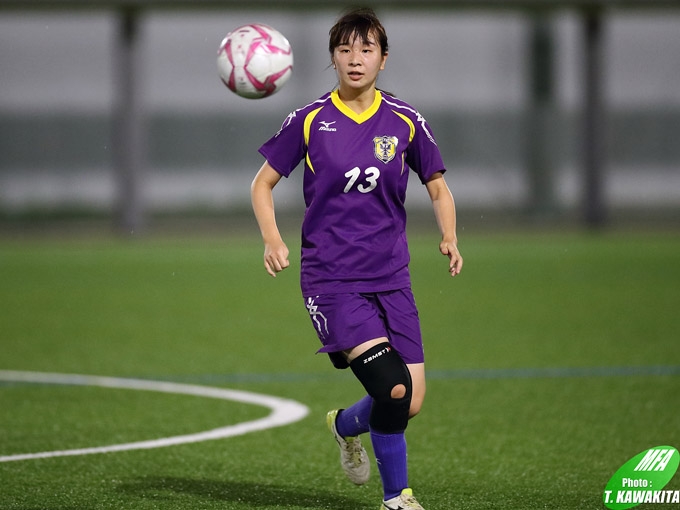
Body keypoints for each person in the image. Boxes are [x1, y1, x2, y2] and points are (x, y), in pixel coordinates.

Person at [251, 7, 462, 510]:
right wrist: (273, 239)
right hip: (332, 281)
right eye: (344, 49)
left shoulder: (406, 120)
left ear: (383, 59)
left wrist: (450, 236)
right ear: (333, 57)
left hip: (392, 277)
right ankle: (397, 498)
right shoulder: (309, 119)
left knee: (410, 400)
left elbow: (437, 186)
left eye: (366, 49)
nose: (355, 58)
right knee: (393, 388)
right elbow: (262, 184)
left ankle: (345, 425)